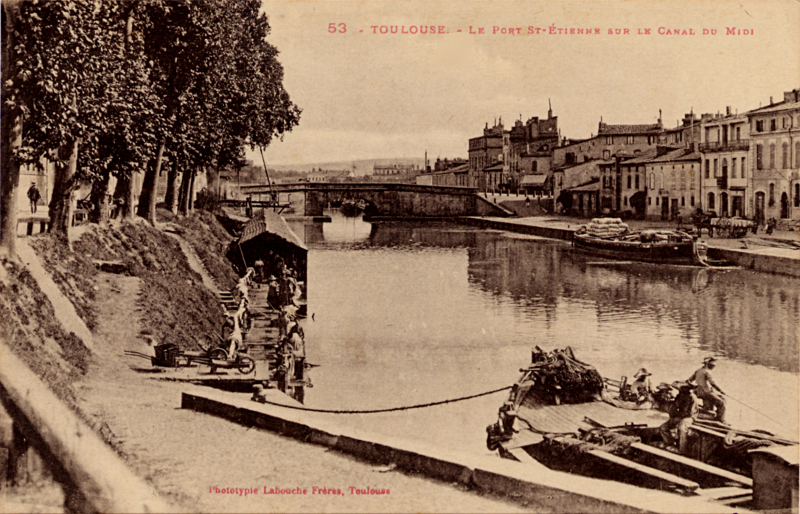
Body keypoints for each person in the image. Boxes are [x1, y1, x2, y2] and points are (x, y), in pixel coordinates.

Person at [659, 382, 698, 454]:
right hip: (680, 416)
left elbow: (690, 413)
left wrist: (678, 415)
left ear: (687, 389)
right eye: (681, 389)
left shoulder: (692, 397)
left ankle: (682, 450)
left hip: (689, 417)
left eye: (683, 388)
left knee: (682, 428)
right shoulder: (679, 396)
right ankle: (669, 443)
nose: (681, 390)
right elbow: (674, 408)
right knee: (663, 428)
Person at [688, 357, 726, 423]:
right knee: (722, 403)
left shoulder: (698, 370)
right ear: (707, 365)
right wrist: (721, 391)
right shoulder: (707, 372)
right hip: (706, 392)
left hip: (699, 392)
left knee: (721, 398)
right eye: (712, 365)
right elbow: (713, 383)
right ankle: (719, 420)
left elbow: (689, 380)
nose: (713, 367)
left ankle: (709, 413)